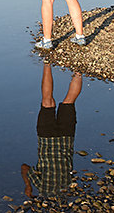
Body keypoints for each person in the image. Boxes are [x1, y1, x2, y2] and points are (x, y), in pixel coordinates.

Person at [21, 63, 81, 197]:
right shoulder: (42, 188)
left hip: (66, 139)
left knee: (69, 101)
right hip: (46, 139)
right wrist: (28, 186)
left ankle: (79, 69)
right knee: (47, 101)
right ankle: (47, 63)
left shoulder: (68, 187)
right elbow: (25, 168)